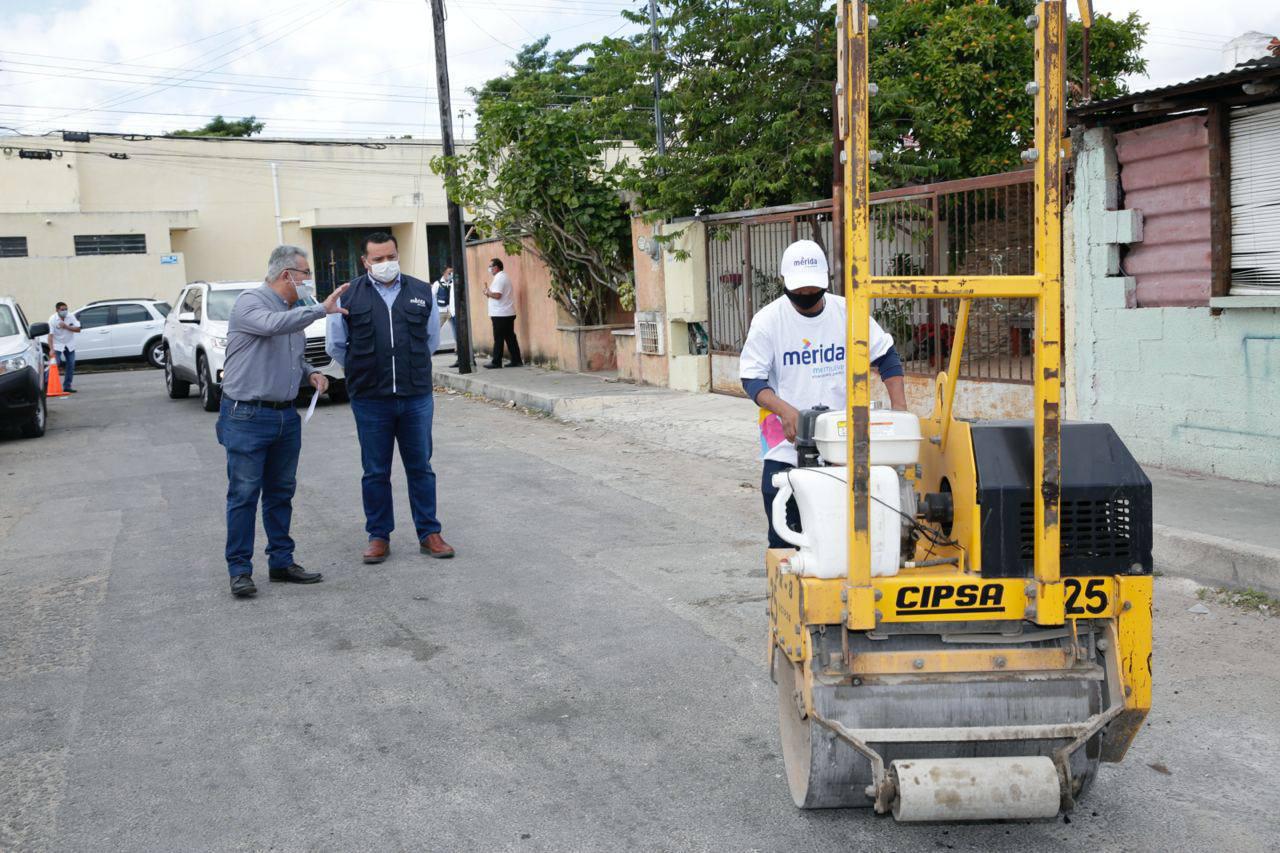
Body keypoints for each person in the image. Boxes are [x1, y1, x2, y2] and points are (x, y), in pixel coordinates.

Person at [739, 239, 908, 549]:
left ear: (826, 282)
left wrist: (900, 412)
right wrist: (786, 410)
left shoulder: (848, 312)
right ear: (784, 283)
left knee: (844, 541)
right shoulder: (768, 321)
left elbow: (887, 357)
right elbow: (752, 378)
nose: (806, 297)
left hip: (845, 446)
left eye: (812, 291)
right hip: (785, 447)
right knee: (786, 541)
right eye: (799, 292)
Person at [218, 245, 349, 598]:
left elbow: (292, 355)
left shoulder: (293, 311)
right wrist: (321, 309)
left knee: (280, 493)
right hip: (247, 415)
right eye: (306, 273)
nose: (309, 280)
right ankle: (240, 571)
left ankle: (281, 562)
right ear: (287, 275)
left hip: (284, 416)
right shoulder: (252, 302)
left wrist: (311, 373)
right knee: (244, 495)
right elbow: (272, 327)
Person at [325, 231, 455, 564]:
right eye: (379, 259)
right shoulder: (348, 296)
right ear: (365, 262)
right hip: (371, 399)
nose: (386, 264)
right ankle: (378, 536)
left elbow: (429, 340)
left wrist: (407, 369)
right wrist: (365, 371)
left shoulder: (420, 291)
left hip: (415, 396)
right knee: (375, 471)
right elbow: (336, 346)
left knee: (421, 468)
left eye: (391, 257)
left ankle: (429, 533)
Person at [481, 258, 522, 369]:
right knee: (510, 337)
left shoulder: (499, 278)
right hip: (506, 312)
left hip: (500, 314)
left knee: (498, 338)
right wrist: (489, 293)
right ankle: (516, 360)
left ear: (496, 267)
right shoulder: (503, 277)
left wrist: (488, 293)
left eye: (491, 267)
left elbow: (498, 295)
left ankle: (496, 361)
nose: (489, 269)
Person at [46, 302, 81, 393]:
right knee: (54, 364)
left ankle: (67, 386)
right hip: (57, 344)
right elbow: (50, 336)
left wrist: (66, 327)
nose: (64, 311)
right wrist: (51, 349)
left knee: (71, 364)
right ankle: (46, 385)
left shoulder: (71, 316)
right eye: (62, 309)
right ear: (57, 310)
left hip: (69, 344)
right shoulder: (52, 319)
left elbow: (78, 329)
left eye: (66, 309)